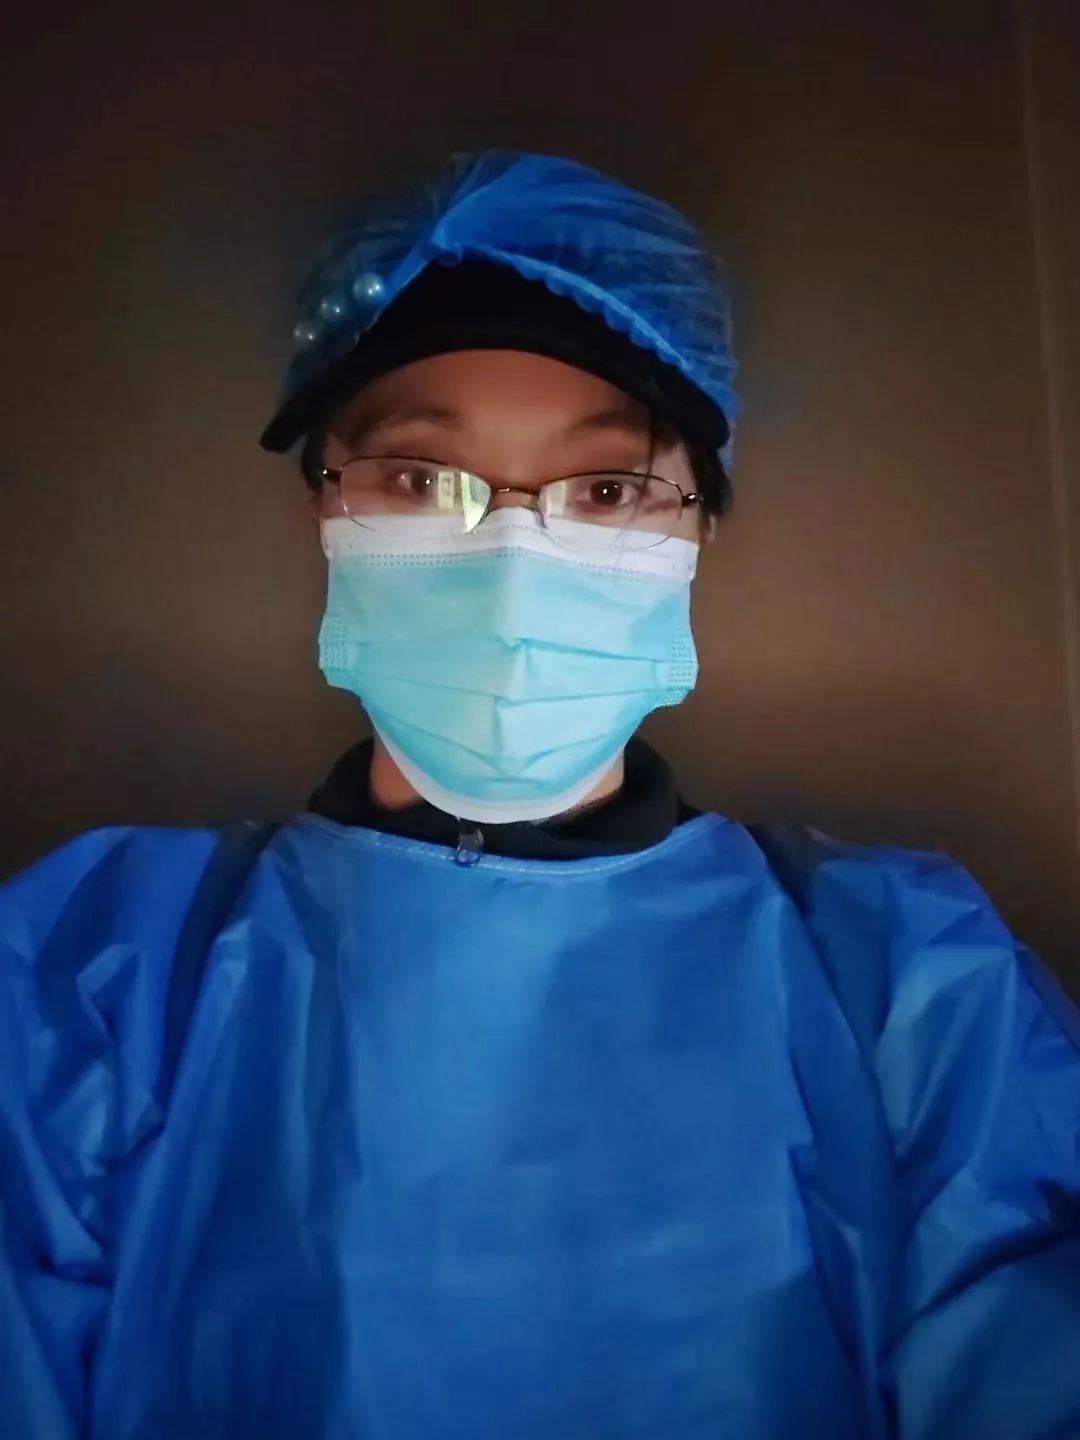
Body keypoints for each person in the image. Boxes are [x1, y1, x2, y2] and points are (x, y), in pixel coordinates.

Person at [1, 150, 1077, 1440]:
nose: (511, 555)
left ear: (700, 533)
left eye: (606, 490)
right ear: (322, 514)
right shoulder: (96, 974)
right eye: (419, 479)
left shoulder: (904, 978)